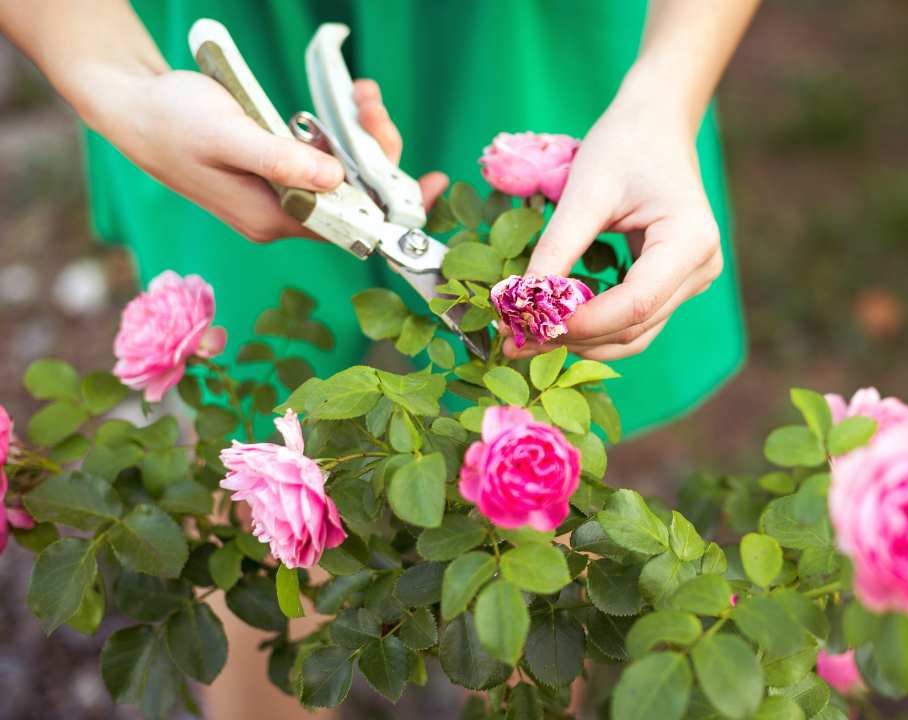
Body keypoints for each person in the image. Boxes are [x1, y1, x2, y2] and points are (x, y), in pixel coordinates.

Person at [0, 0, 758, 716]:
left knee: (530, 501)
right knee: (259, 480)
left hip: (513, 26)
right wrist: (120, 83)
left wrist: (665, 95)